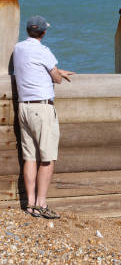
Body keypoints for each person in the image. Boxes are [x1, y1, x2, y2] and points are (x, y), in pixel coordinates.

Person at [13, 15, 75, 219]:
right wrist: (58, 72)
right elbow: (56, 78)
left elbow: (34, 68)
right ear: (43, 32)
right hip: (42, 108)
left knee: (29, 157)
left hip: (23, 108)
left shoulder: (18, 49)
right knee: (47, 158)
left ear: (28, 31)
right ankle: (41, 204)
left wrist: (54, 70)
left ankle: (30, 204)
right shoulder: (44, 51)